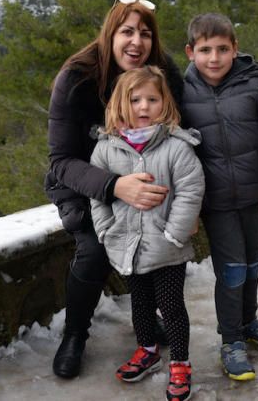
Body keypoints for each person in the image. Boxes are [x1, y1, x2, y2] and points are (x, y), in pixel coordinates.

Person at [44, 0, 184, 379]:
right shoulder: (76, 78)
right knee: (95, 249)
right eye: (126, 31)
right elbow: (60, 160)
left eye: (145, 33)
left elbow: (181, 123)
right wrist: (114, 186)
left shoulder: (162, 72)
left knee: (153, 238)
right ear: (110, 34)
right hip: (80, 182)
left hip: (143, 176)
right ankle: (74, 335)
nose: (136, 42)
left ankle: (146, 324)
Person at [180, 12, 258, 381]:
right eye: (205, 50)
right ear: (190, 52)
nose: (214, 58)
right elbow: (178, 156)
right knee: (232, 270)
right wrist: (188, 207)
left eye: (222, 49)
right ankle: (231, 340)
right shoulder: (181, 92)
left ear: (235, 49)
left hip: (255, 195)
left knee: (253, 263)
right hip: (215, 202)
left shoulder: (254, 83)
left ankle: (248, 321)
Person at [89, 66, 205, 401]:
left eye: (152, 99)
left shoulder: (176, 147)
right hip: (126, 246)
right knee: (139, 304)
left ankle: (180, 363)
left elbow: (190, 190)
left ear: (164, 103)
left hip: (167, 247)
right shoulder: (106, 150)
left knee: (171, 306)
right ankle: (148, 349)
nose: (143, 107)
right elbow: (99, 196)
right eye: (135, 99)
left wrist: (174, 234)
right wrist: (106, 230)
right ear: (119, 105)